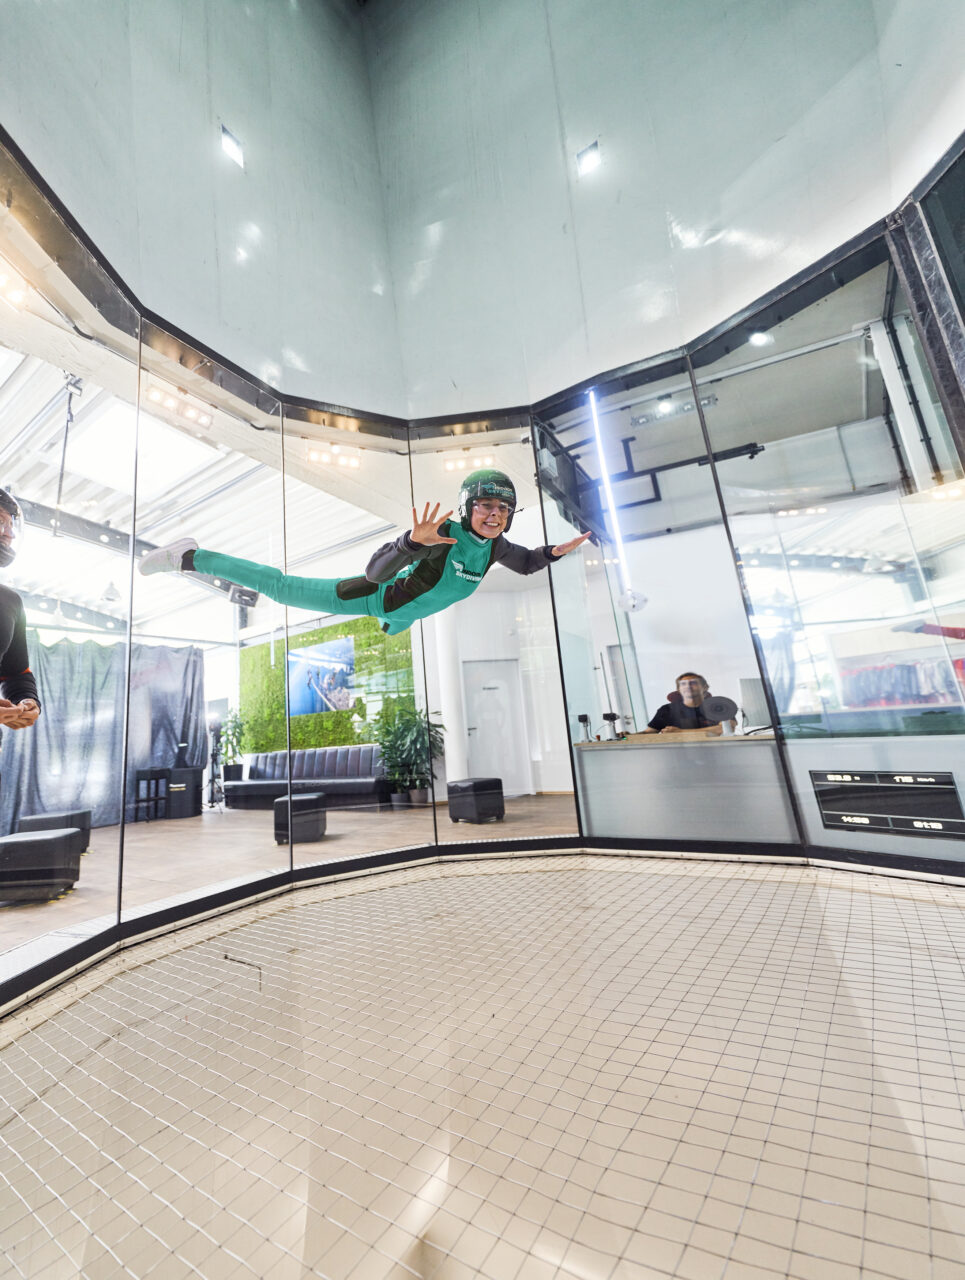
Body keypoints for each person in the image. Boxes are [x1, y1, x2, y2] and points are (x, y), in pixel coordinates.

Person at [139, 469, 591, 633]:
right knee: (281, 588)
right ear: (467, 507)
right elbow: (375, 573)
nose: (494, 515)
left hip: (409, 614)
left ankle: (392, 625)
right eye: (486, 506)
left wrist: (555, 551)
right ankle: (190, 557)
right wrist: (410, 543)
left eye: (503, 508)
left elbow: (527, 564)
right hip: (376, 598)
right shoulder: (444, 534)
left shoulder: (496, 547)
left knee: (396, 626)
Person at [0, 489, 41, 739]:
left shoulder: (10, 601)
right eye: (0, 522)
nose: (9, 534)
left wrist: (26, 700)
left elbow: (16, 672)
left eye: (11, 525)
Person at [643, 672, 735, 735]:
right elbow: (649, 732)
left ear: (705, 687)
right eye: (683, 684)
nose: (688, 686)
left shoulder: (719, 706)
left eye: (693, 683)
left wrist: (681, 732)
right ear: (678, 689)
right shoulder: (666, 710)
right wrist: (632, 737)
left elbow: (726, 729)